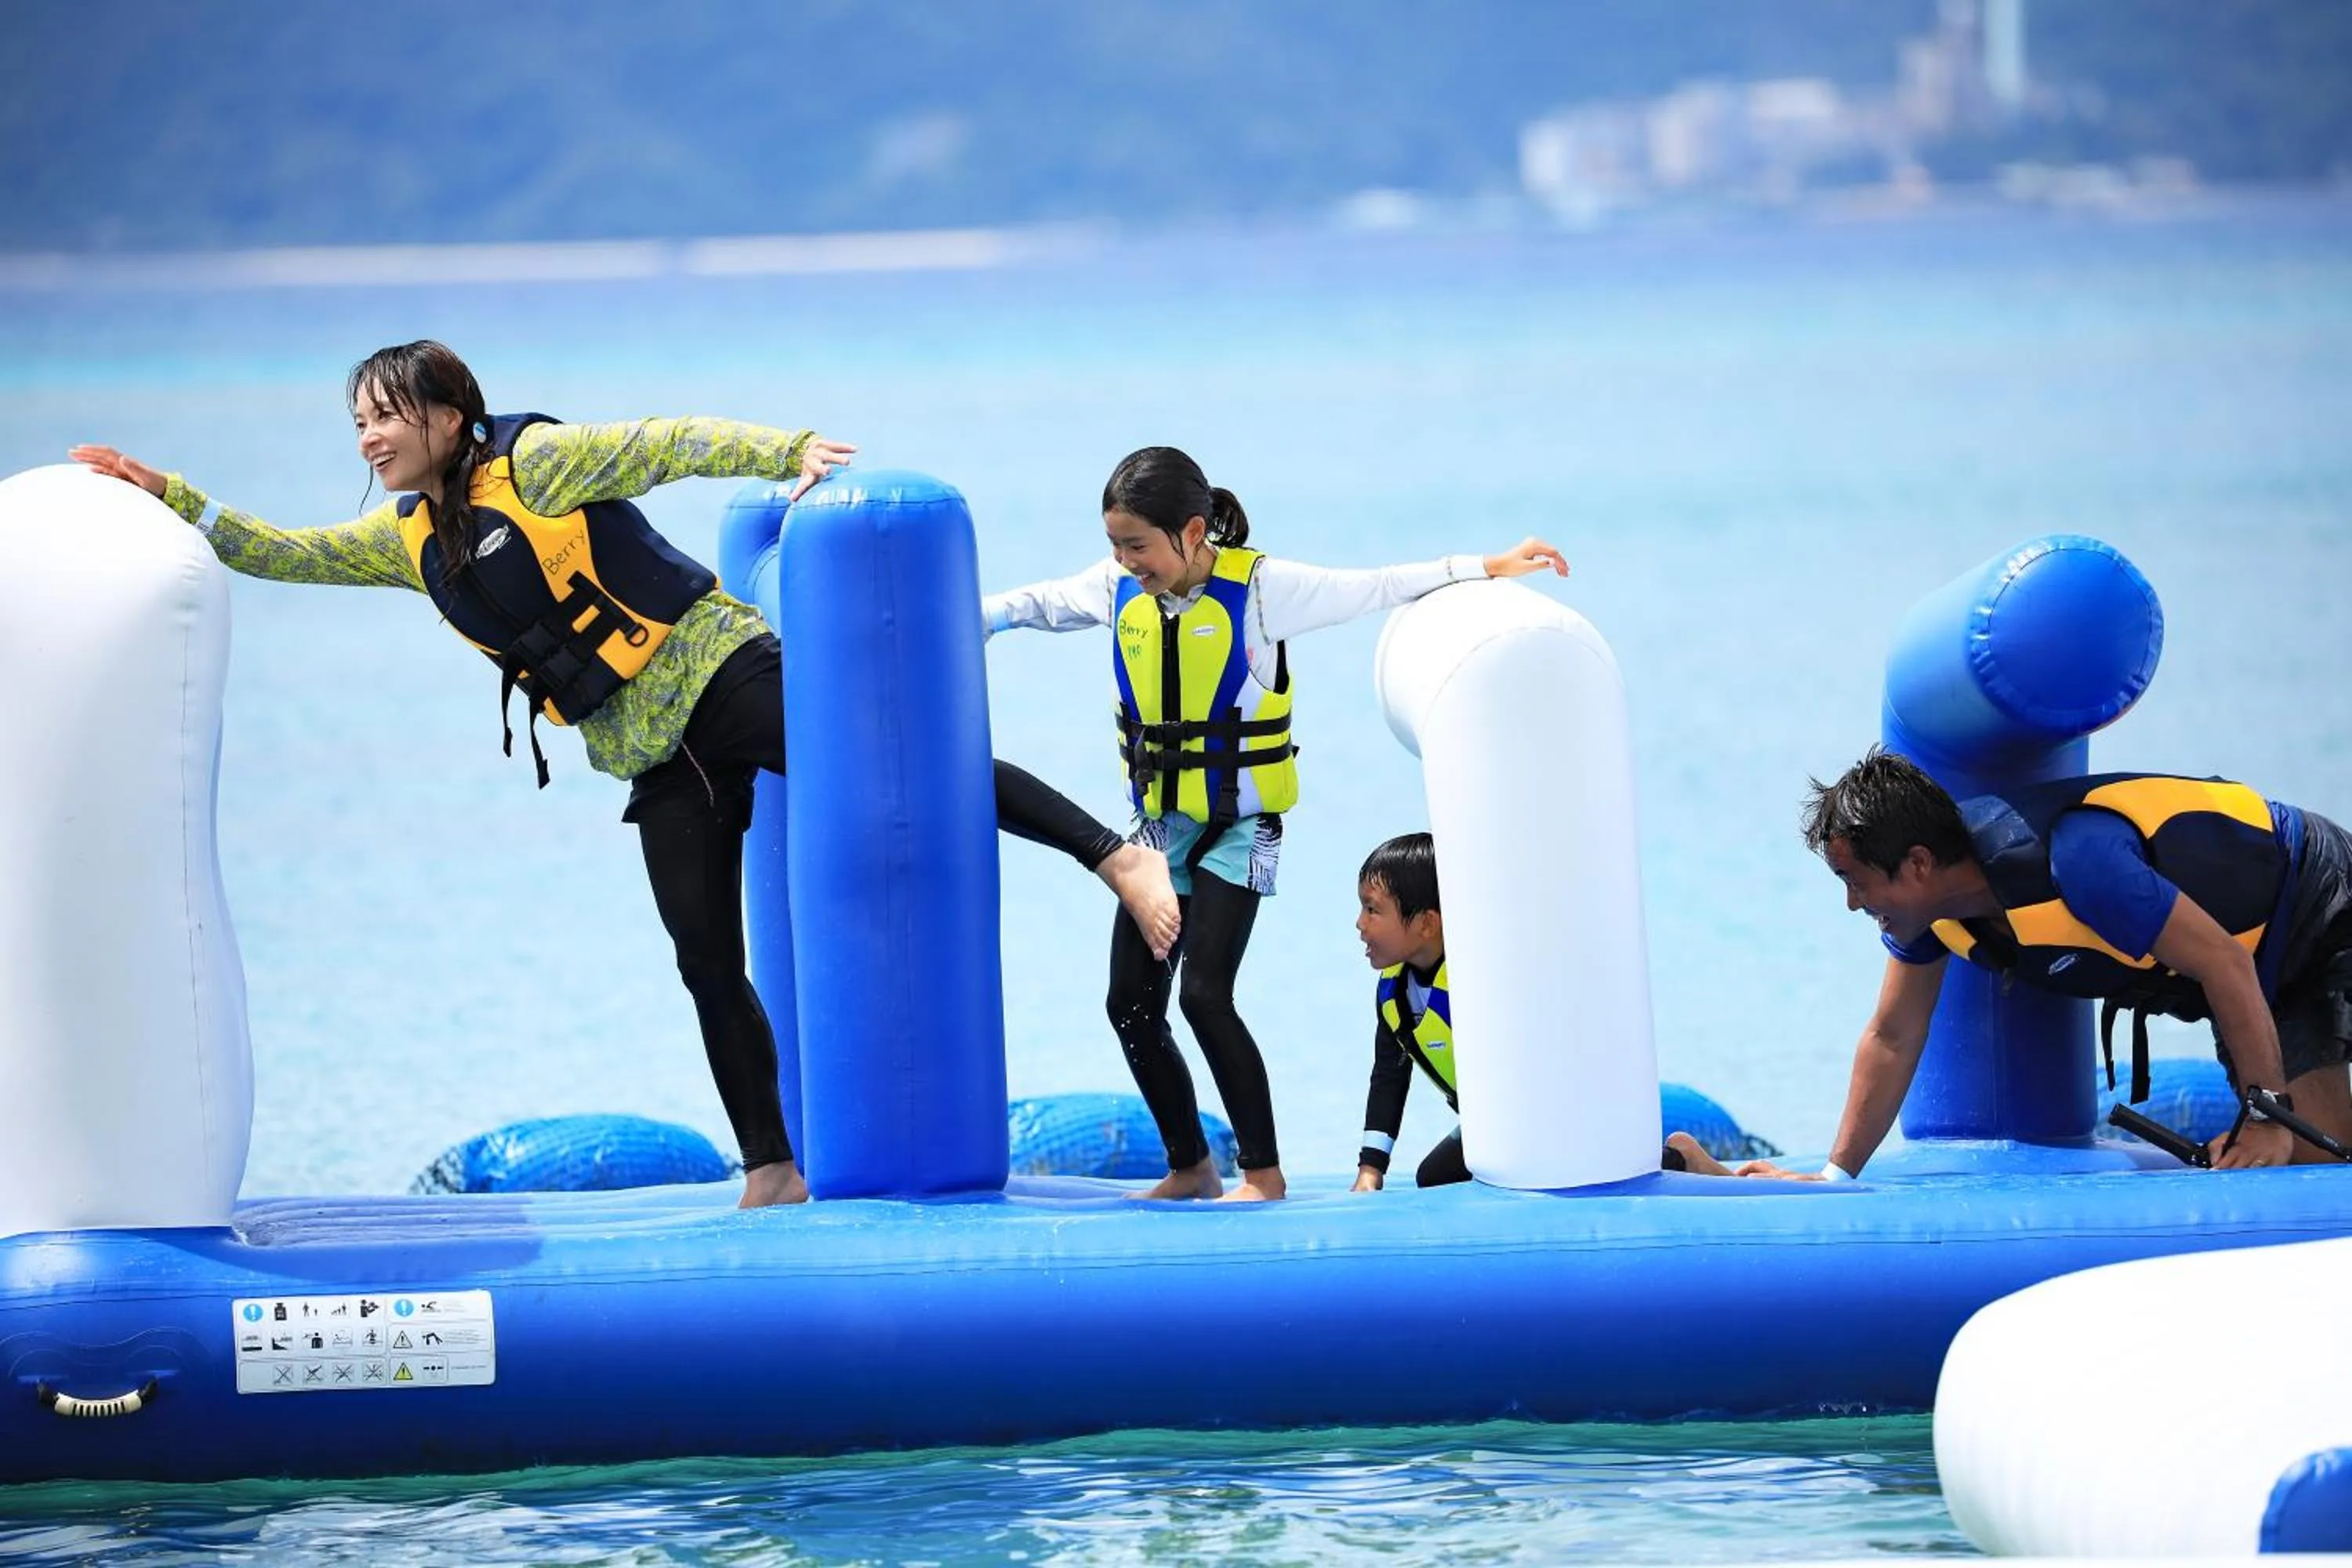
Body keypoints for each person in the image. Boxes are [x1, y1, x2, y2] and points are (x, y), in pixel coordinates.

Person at [71, 339, 1180, 1209]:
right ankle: (771, 1165)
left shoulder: (537, 465)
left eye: (385, 417)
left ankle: (1116, 854)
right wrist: (167, 493)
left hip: (717, 669)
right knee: (705, 959)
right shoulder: (410, 540)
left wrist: (782, 448)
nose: (367, 439)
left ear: (450, 416)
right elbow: (281, 551)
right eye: (356, 423)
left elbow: (664, 440)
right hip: (650, 750)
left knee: (918, 771)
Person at [982, 445, 1568, 1201]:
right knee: (1129, 1002)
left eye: (1139, 545)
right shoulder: (1115, 587)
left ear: (1192, 533)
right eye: (1116, 545)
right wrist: (963, 617)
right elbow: (1029, 606)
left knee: (1204, 995)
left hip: (1241, 829)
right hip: (1162, 831)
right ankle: (1191, 1166)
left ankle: (1262, 1173)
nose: (1126, 561)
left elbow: (1378, 586)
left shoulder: (1262, 592)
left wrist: (1488, 565)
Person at [1740, 746, 2352, 1180]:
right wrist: (1834, 1178)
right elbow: (1893, 1036)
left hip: (2319, 900)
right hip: (2261, 969)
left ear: (1920, 864)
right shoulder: (1937, 914)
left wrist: (2264, 1116)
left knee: (2293, 1145)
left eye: (1857, 881)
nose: (1852, 904)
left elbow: (2223, 963)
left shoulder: (2084, 865)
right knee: (2323, 1160)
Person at [1349, 833, 1472, 1190]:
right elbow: (1389, 1076)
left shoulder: (1477, 982)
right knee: (1434, 1178)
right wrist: (1371, 1170)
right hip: (1486, 1128)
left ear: (1427, 924)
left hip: (1540, 1125)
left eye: (1372, 909)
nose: (1360, 923)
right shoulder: (1393, 993)